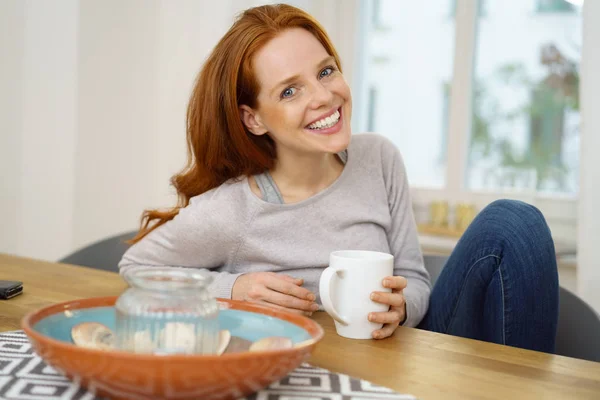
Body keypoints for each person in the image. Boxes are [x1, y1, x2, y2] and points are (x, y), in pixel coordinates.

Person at [119, 4, 559, 352]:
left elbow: (415, 279)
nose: (325, 96)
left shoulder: (379, 158)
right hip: (312, 370)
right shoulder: (233, 210)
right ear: (253, 119)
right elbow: (137, 266)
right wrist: (234, 289)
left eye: (325, 71)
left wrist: (401, 308)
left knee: (513, 223)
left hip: (408, 355)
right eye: (290, 91)